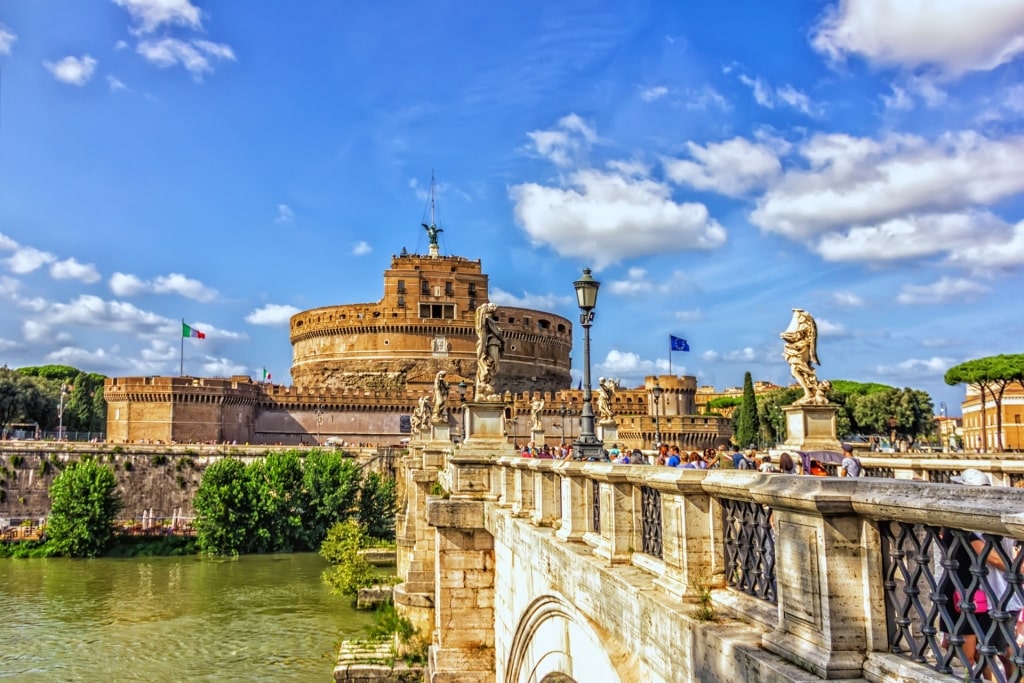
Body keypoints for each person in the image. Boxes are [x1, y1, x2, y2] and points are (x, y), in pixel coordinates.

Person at [474, 302, 504, 396]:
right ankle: (486, 380)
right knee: (493, 364)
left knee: (491, 364)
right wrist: (503, 340)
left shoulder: (487, 320)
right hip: (492, 344)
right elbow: (497, 333)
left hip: (492, 344)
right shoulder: (489, 320)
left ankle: (487, 380)